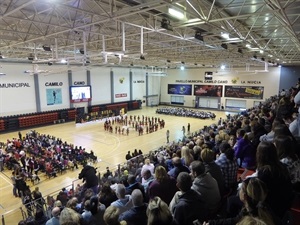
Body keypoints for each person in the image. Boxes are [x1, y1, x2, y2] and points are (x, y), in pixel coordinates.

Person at [203, 177, 280, 225]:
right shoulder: (263, 207)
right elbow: (234, 220)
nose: (239, 191)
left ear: (244, 196)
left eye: (241, 189)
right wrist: (212, 223)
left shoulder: (251, 218)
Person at [256, 142, 293, 219]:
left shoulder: (264, 173)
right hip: (285, 205)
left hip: (273, 210)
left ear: (260, 155)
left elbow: (259, 195)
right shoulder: (282, 166)